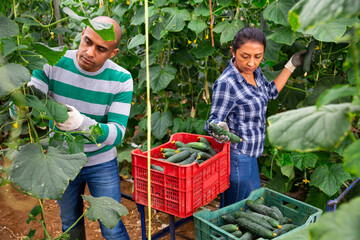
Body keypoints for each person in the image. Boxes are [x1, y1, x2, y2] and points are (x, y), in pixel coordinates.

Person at [28, 16, 132, 239]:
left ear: (113, 53)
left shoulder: (122, 79)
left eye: (101, 49)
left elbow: (117, 134)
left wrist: (82, 124)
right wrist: (21, 103)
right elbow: (29, 103)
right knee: (69, 225)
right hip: (62, 161)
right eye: (87, 41)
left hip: (100, 162)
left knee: (112, 228)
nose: (90, 52)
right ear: (82, 33)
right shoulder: (51, 61)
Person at [205, 27, 306, 206]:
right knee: (234, 210)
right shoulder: (226, 83)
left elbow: (270, 92)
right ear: (233, 52)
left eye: (258, 56)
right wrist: (219, 128)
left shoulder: (255, 73)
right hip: (237, 158)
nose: (251, 63)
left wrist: (291, 64)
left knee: (252, 206)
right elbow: (212, 121)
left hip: (252, 154)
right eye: (245, 56)